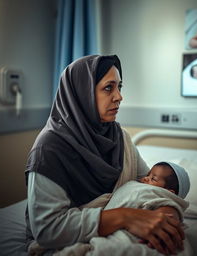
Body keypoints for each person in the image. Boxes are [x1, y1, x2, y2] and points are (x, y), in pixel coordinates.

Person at [25, 55, 185, 256]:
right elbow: (48, 229)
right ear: (82, 94)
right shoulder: (48, 150)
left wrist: (166, 213)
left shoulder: (119, 137)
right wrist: (126, 217)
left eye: (120, 87)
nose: (119, 96)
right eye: (109, 88)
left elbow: (146, 184)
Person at [29, 161, 191, 256]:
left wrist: (169, 213)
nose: (145, 178)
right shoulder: (136, 184)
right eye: (148, 174)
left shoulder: (160, 196)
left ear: (169, 192)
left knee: (119, 247)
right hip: (111, 223)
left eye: (153, 178)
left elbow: (169, 211)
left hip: (138, 231)